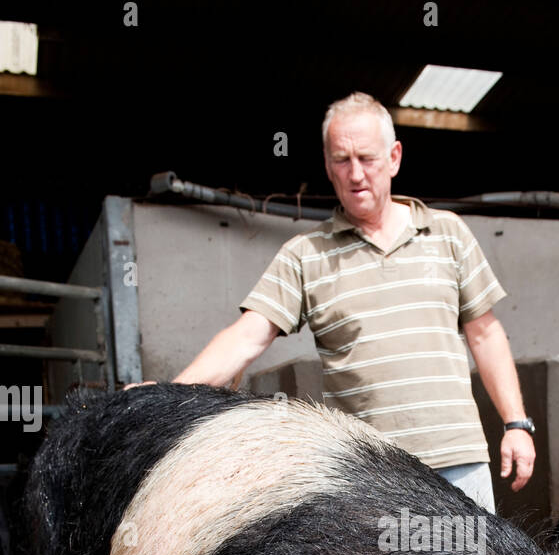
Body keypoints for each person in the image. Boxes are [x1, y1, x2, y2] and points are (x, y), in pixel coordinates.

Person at [171, 92, 536, 509]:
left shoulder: (447, 233)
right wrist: (168, 394)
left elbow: (485, 335)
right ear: (327, 166)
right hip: (369, 473)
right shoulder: (306, 255)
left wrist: (516, 424)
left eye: (367, 158)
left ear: (394, 157)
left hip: (457, 462)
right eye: (342, 160)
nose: (356, 173)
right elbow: (247, 337)